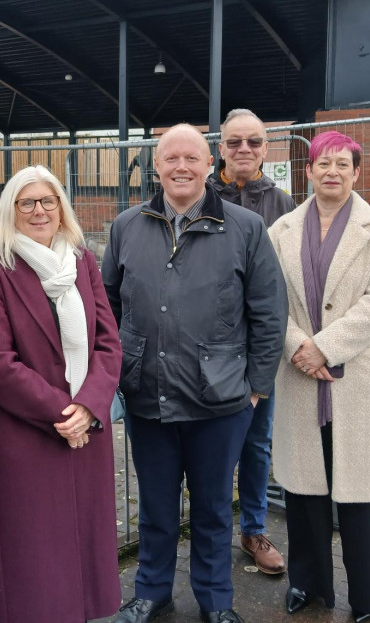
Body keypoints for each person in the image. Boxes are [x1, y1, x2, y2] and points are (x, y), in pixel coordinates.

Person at [102, 124, 287, 623]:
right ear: (156, 166)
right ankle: (152, 593)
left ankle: (215, 602)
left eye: (191, 158)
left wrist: (257, 387)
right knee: (157, 508)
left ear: (210, 164)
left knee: (210, 509)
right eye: (170, 158)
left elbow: (270, 312)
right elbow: (106, 307)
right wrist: (121, 370)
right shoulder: (126, 227)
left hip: (221, 400)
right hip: (148, 396)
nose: (181, 167)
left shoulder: (246, 228)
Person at [0, 165, 122, 623]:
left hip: (86, 429)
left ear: (61, 208)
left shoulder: (82, 261)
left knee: (84, 549)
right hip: (28, 435)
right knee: (34, 559)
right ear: (10, 211)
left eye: (48, 201)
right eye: (27, 202)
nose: (39, 211)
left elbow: (108, 344)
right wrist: (65, 411)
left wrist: (89, 407)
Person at [267, 131, 370, 622]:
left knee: (364, 495)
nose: (332, 172)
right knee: (305, 493)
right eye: (323, 163)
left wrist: (322, 347)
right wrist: (297, 349)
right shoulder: (280, 230)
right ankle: (308, 584)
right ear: (307, 171)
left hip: (358, 381)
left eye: (342, 165)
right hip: (301, 378)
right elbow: (269, 302)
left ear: (356, 173)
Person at [208, 109, 295, 576]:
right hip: (209, 349)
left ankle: (254, 529)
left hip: (259, 347)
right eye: (235, 142)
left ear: (267, 148)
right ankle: (213, 530)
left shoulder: (282, 204)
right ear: (220, 148)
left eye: (255, 142)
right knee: (212, 448)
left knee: (257, 444)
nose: (245, 150)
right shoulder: (200, 196)